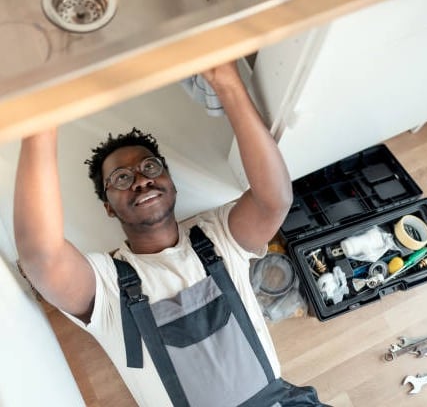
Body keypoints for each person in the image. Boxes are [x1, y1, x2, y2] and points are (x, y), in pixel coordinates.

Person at [14, 62, 328, 406]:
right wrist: (42, 121)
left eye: (150, 167)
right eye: (121, 178)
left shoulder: (218, 235)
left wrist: (226, 80)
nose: (141, 179)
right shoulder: (104, 285)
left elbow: (274, 199)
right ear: (108, 207)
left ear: (170, 182)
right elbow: (41, 256)